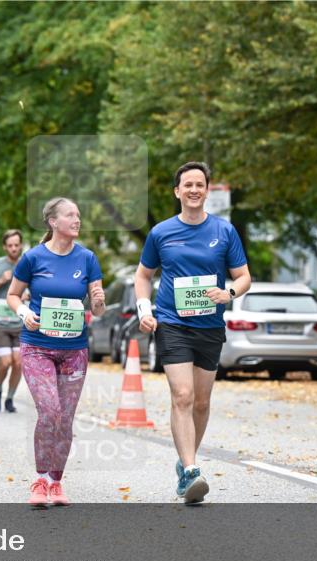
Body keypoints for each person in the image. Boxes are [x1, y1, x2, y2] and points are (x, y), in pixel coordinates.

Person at [135, 162, 251, 504]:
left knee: (201, 402)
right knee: (182, 395)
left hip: (210, 326)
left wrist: (228, 293)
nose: (194, 190)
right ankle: (190, 469)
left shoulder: (224, 231)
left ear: (207, 191)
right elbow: (143, 275)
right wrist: (145, 310)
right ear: (177, 191)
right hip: (172, 322)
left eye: (200, 184)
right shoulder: (161, 232)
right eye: (188, 185)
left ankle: (186, 461)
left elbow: (243, 276)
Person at [6, 199, 104, 507]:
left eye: (78, 214)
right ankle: (40, 479)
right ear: (53, 221)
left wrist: (98, 301)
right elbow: (12, 294)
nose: (77, 220)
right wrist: (24, 312)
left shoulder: (87, 258)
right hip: (37, 346)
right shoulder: (33, 258)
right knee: (50, 411)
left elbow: (97, 309)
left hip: (74, 350)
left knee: (66, 419)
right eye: (70, 215)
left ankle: (55, 481)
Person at [0, 229, 26, 413]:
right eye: (10, 245)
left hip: (20, 323)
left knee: (19, 363)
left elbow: (37, 288)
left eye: (16, 245)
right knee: (5, 362)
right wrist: (1, 280)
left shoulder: (27, 265)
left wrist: (28, 294)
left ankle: (9, 398)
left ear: (21, 245)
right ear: (4, 247)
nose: (14, 248)